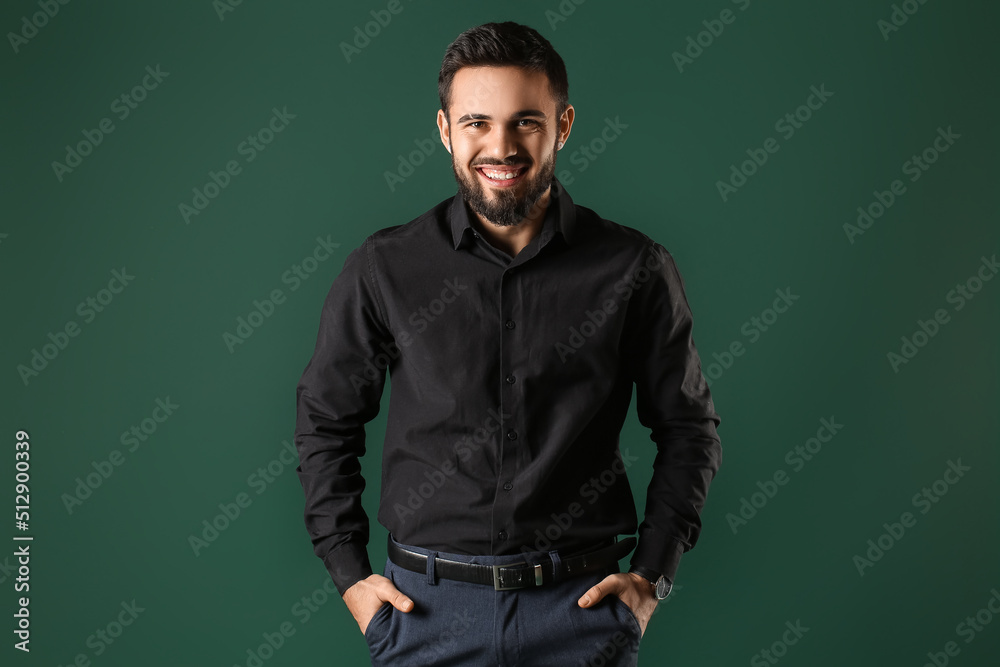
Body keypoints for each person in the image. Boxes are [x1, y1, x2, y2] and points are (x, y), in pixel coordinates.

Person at [294, 21, 722, 666]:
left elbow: (689, 429)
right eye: (476, 123)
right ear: (444, 129)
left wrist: (653, 577)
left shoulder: (633, 267)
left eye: (525, 121)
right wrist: (351, 577)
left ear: (564, 125)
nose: (501, 146)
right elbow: (325, 421)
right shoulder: (385, 267)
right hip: (423, 616)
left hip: (581, 613)